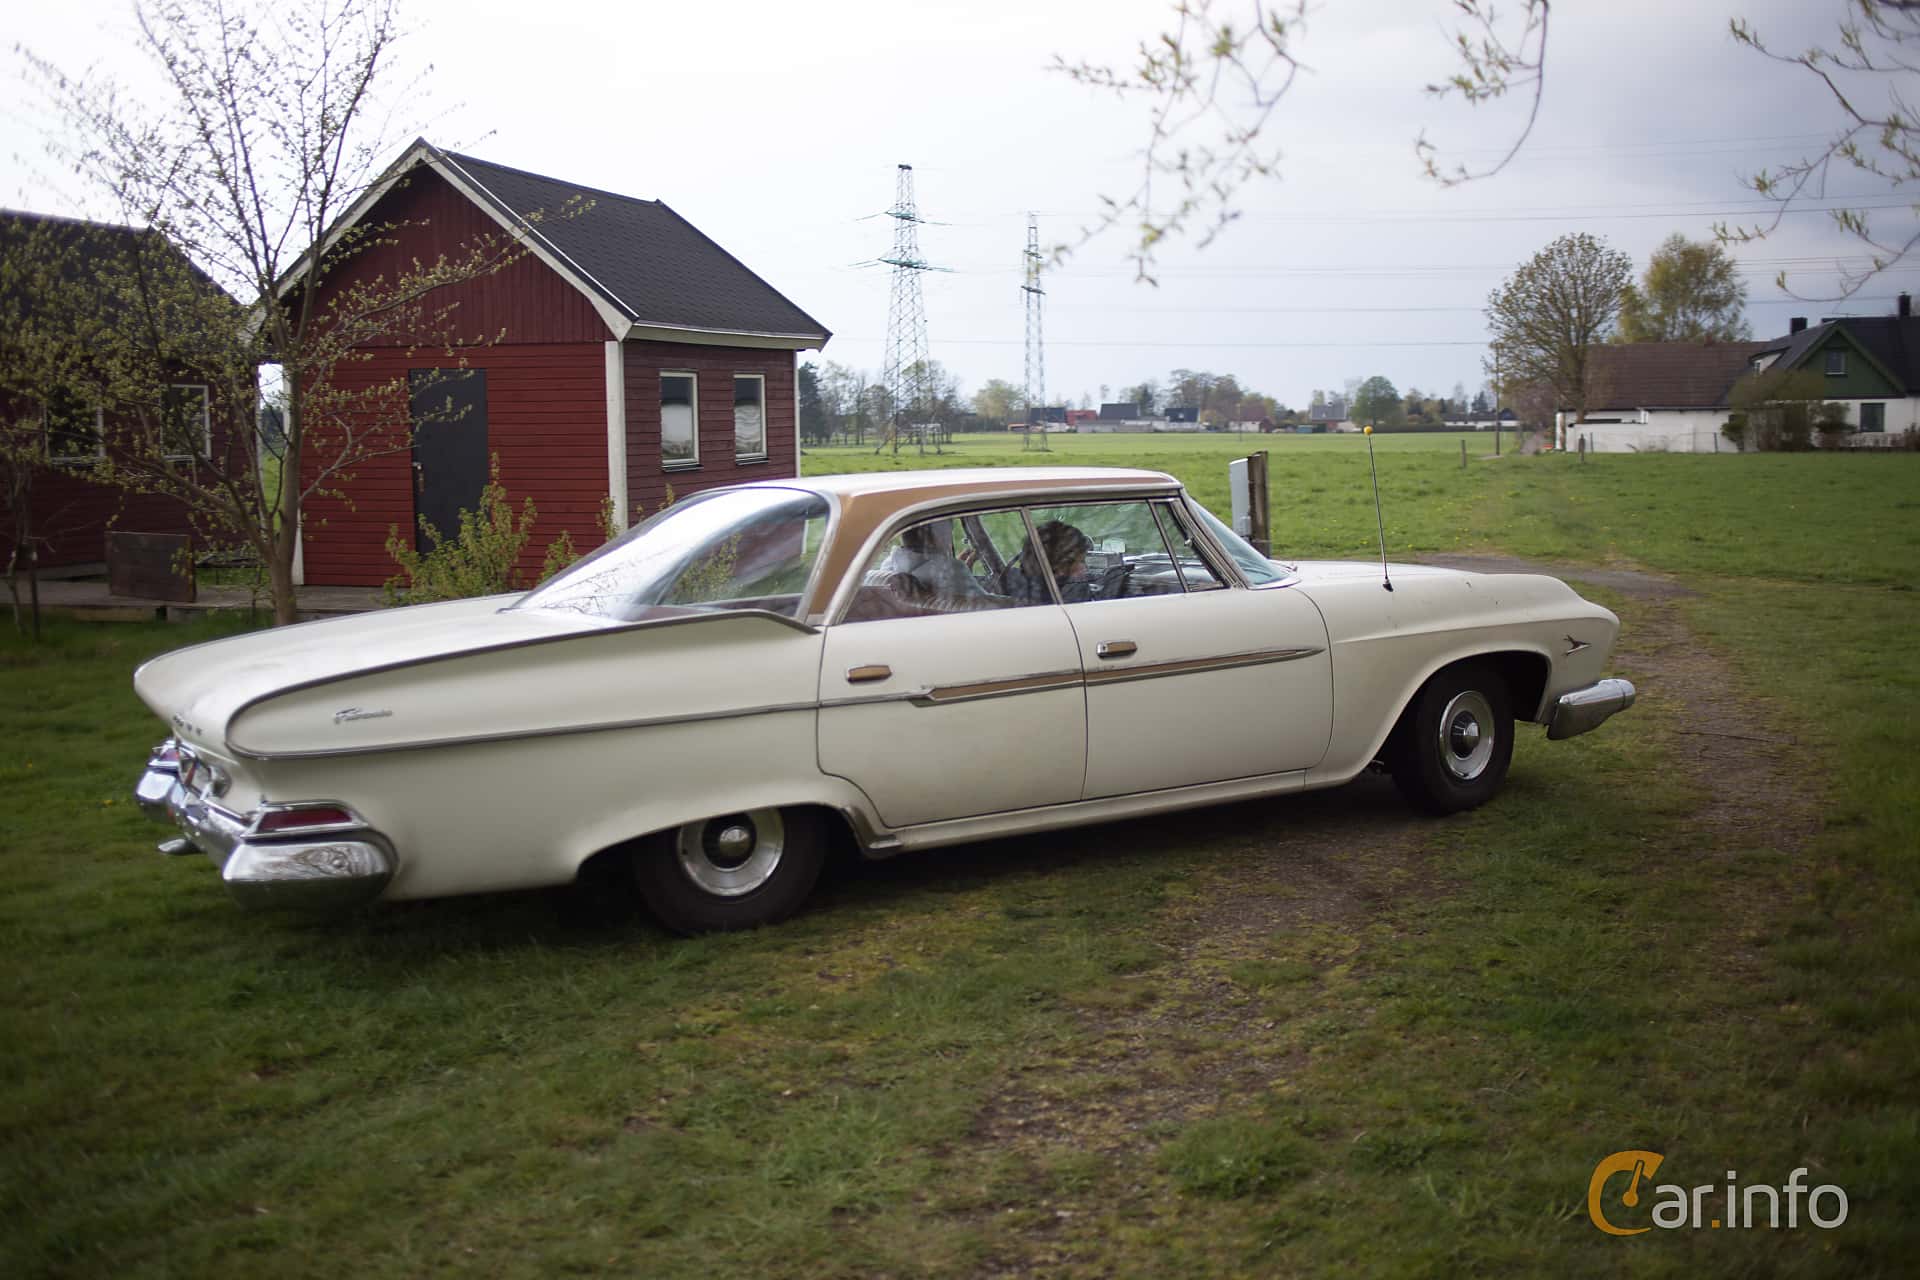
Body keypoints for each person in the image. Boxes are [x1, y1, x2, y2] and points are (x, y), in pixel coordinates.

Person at [879, 520, 982, 603]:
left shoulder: (887, 566)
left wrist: (963, 573)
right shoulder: (951, 571)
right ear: (940, 533)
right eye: (950, 529)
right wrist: (959, 572)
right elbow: (989, 607)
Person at [1026, 519, 1094, 603]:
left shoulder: (1024, 587)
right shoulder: (1074, 589)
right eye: (1081, 561)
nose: (1085, 569)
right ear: (1062, 563)